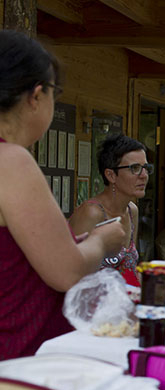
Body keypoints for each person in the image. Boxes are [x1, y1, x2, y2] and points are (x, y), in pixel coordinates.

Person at [0, 30, 126, 359]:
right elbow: (65, 272)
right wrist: (101, 240)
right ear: (36, 95)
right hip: (20, 360)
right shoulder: (11, 161)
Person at [68, 134, 147, 287]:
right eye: (135, 168)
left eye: (145, 168)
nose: (144, 175)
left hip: (122, 302)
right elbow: (70, 272)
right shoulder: (91, 213)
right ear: (111, 175)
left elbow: (129, 269)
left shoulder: (132, 210)